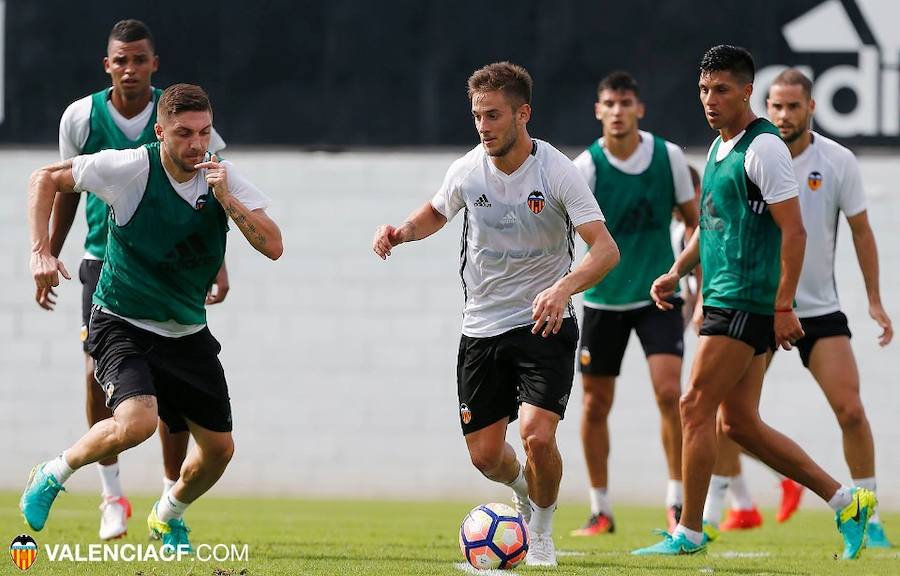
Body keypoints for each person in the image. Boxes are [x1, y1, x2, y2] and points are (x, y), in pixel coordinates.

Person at [632, 45, 875, 560]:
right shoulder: (723, 147)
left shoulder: (764, 149)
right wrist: (678, 270)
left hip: (745, 300)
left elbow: (795, 231)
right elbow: (711, 224)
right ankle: (844, 500)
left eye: (721, 89)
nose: (710, 100)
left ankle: (691, 531)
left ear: (746, 91)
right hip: (727, 296)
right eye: (703, 90)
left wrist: (784, 305)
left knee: (693, 404)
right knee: (737, 423)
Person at [372, 62, 619, 566]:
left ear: (523, 114)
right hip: (481, 326)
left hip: (544, 323)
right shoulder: (468, 170)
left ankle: (544, 534)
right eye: (477, 116)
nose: (483, 126)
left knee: (536, 434)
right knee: (486, 455)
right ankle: (527, 492)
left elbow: (605, 251)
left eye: (493, 116)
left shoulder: (557, 172)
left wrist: (561, 289)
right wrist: (401, 232)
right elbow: (437, 211)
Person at [21, 83, 282, 554]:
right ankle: (55, 471)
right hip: (122, 320)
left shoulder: (224, 179)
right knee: (138, 421)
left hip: (187, 333)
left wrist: (229, 202)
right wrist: (41, 252)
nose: (196, 144)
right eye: (184, 133)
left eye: (204, 133)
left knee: (220, 451)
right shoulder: (129, 168)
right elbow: (44, 179)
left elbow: (274, 246)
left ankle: (167, 515)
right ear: (160, 131)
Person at [38, 19, 228, 541]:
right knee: (103, 379)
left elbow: (213, 194)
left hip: (170, 269)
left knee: (175, 396)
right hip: (104, 263)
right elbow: (66, 188)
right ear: (108, 65)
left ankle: (170, 498)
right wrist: (48, 255)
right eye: (121, 60)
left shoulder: (180, 116)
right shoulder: (81, 116)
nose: (130, 69)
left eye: (139, 59)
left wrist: (217, 264)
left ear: (154, 63)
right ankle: (111, 493)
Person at [701, 68, 893, 547]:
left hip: (816, 311)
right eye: (777, 105)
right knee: (727, 417)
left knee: (850, 410)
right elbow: (714, 225)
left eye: (793, 106)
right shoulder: (751, 150)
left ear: (811, 107)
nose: (784, 115)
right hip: (758, 306)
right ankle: (714, 511)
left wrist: (873, 300)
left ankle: (868, 514)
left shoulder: (836, 160)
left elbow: (861, 231)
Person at [569, 71, 699, 536]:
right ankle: (600, 509)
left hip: (657, 297)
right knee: (594, 405)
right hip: (603, 301)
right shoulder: (585, 168)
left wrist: (699, 291)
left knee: (670, 393)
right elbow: (567, 238)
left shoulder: (669, 157)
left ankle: (678, 502)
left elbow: (696, 223)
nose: (618, 111)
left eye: (626, 102)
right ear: (598, 111)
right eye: (610, 103)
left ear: (639, 108)